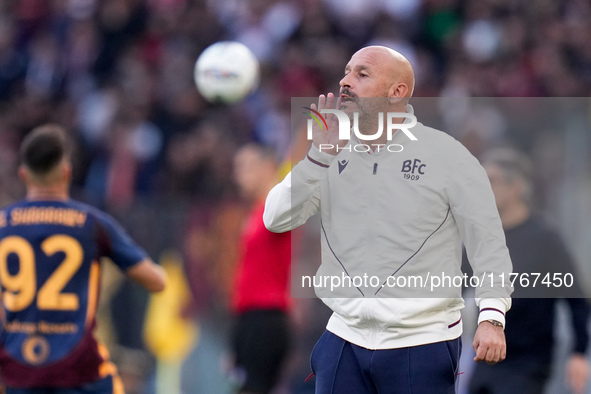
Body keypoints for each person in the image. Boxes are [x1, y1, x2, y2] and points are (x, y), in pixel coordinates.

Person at [263, 46, 513, 393]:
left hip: (422, 342)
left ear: (397, 93)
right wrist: (318, 157)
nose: (345, 82)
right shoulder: (331, 149)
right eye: (347, 72)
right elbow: (275, 219)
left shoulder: (448, 156)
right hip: (344, 337)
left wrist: (491, 317)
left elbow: (489, 246)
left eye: (362, 74)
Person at [0, 125, 166, 394]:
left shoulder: (3, 224)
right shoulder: (91, 224)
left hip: (18, 367)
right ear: (67, 173)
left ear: (23, 175)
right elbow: (155, 282)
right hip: (77, 368)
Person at [467, 148, 590, 394]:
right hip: (485, 357)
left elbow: (575, 297)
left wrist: (579, 353)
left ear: (515, 188)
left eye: (491, 180)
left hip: (528, 363)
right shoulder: (480, 237)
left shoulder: (544, 239)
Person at [230, 144, 292, 394]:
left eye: (245, 167)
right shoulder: (257, 211)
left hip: (265, 317)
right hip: (250, 318)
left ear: (268, 168)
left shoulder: (277, 209)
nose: (238, 176)